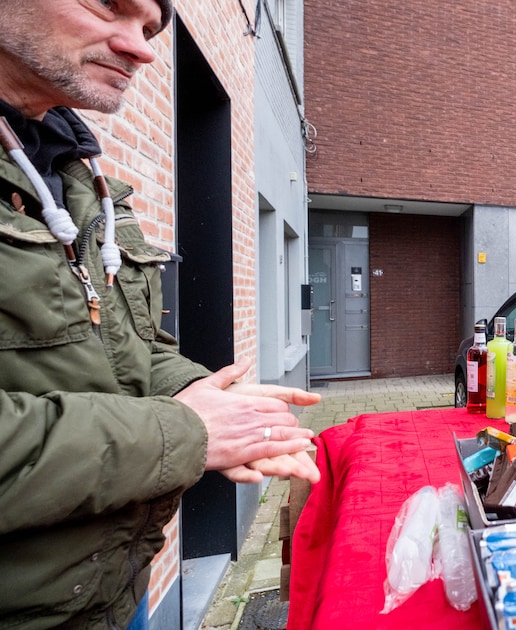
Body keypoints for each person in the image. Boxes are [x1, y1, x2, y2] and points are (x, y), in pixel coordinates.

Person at [0, 0, 321, 626]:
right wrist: (189, 431)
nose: (144, 49)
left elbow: (119, 344)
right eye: (108, 7)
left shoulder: (74, 170)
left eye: (149, 29)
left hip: (115, 591)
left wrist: (200, 392)